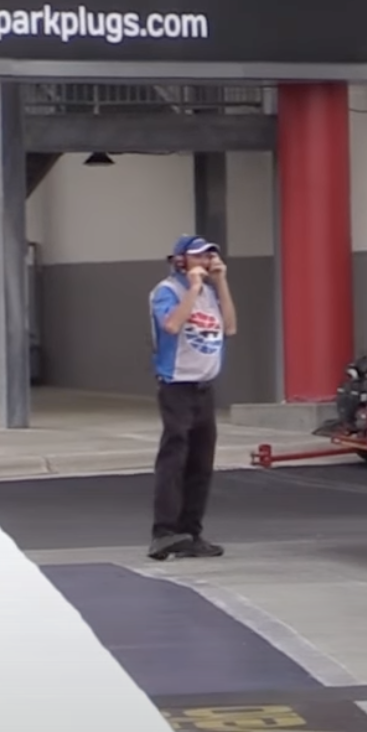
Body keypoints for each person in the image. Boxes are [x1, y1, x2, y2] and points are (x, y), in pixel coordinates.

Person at [148, 234, 236, 561]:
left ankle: (191, 531)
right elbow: (171, 325)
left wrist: (220, 282)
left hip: (203, 386)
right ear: (181, 261)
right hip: (177, 385)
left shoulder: (212, 294)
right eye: (199, 257)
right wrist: (194, 288)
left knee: (201, 463)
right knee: (174, 458)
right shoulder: (166, 292)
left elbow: (229, 327)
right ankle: (164, 532)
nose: (206, 262)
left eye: (209, 257)